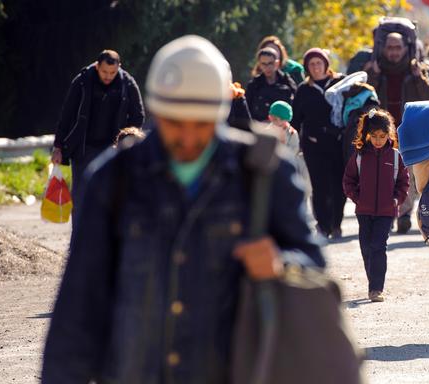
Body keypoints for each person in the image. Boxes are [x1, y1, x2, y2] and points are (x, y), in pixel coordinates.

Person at [42, 35, 325, 382]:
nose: (188, 138)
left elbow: (314, 265)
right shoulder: (114, 179)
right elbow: (77, 305)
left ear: (221, 113)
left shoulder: (264, 173)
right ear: (157, 112)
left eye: (202, 124)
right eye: (176, 123)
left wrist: (282, 265)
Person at [51, 49, 145, 224]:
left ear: (119, 67)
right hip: (83, 150)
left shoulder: (127, 84)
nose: (108, 76)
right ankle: (77, 244)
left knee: (109, 198)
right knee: (80, 198)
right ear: (96, 66)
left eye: (113, 72)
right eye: (104, 72)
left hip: (113, 150)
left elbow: (138, 115)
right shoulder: (82, 81)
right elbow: (67, 115)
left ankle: (103, 245)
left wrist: (128, 140)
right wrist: (58, 146)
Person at [365, 31, 429, 233]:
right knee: (385, 175)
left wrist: (418, 76)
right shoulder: (375, 70)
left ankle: (403, 214)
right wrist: (375, 74)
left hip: (409, 132)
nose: (394, 52)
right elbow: (366, 95)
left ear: (405, 48)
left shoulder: (415, 70)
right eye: (390, 47)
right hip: (382, 133)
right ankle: (387, 214)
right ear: (383, 49)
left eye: (398, 47)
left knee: (408, 175)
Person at [342, 109, 409, 303]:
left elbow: (404, 183)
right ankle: (373, 280)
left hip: (387, 212)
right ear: (367, 135)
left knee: (378, 246)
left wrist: (395, 200)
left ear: (389, 135)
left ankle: (376, 288)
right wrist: (357, 198)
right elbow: (348, 180)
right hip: (364, 211)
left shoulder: (396, 157)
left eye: (382, 136)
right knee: (366, 247)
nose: (378, 140)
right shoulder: (359, 156)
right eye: (374, 136)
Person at [292, 48, 348, 239]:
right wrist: (295, 139)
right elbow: (296, 119)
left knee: (339, 185)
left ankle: (336, 223)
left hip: (337, 142)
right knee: (319, 186)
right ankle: (323, 225)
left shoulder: (340, 83)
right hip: (313, 145)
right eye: (312, 64)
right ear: (307, 67)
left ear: (326, 64)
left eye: (319, 63)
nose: (316, 67)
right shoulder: (303, 89)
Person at [245, 47, 297, 122]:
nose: (267, 67)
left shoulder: (288, 83)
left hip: (283, 129)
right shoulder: (254, 85)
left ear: (277, 63)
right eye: (264, 64)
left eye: (270, 63)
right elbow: (247, 112)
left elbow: (297, 109)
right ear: (259, 64)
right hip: (259, 129)